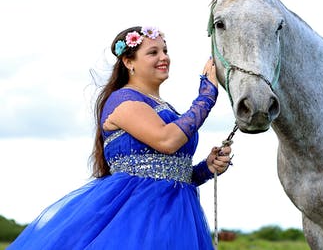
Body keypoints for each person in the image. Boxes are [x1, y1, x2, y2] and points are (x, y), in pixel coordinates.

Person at [8, 26, 232, 249]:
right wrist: (207, 96)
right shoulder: (123, 100)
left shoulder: (167, 109)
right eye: (153, 52)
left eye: (165, 51)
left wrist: (205, 168)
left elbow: (169, 171)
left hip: (176, 215)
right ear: (128, 62)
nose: (164, 57)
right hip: (137, 218)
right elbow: (167, 141)